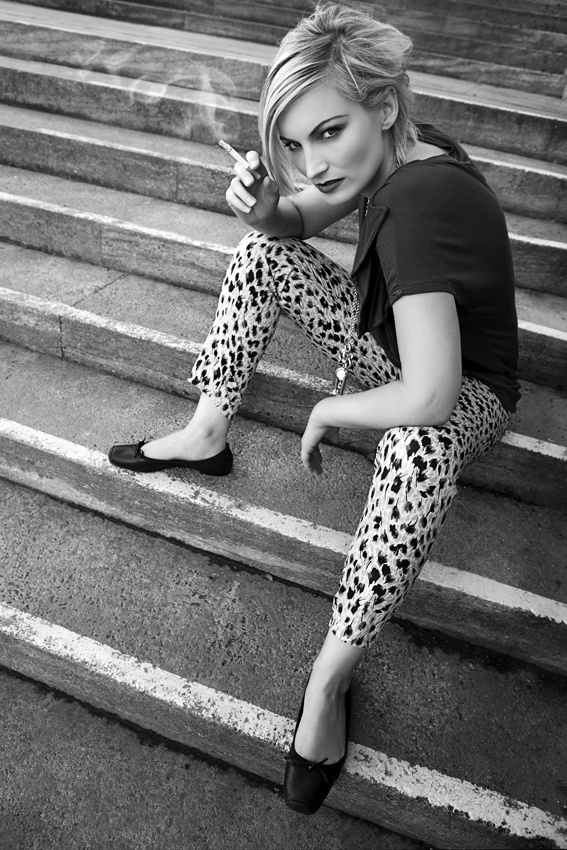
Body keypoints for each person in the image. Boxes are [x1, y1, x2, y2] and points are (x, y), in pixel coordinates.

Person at [108, 2, 520, 815]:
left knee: (417, 442)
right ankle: (207, 431)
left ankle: (328, 682)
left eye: (328, 133)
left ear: (384, 106)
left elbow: (433, 394)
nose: (312, 164)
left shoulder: (418, 201)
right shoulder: (403, 148)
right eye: (293, 144)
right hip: (399, 349)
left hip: (468, 390)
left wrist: (331, 410)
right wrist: (260, 205)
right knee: (264, 248)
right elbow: (295, 219)